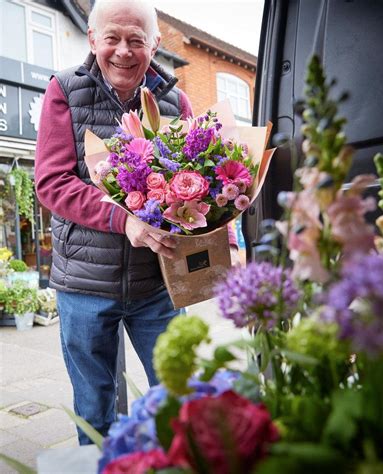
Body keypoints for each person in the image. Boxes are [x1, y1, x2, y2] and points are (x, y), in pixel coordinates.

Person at [35, 0, 237, 444]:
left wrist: (227, 234)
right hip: (85, 286)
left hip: (159, 286)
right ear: (93, 39)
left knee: (174, 403)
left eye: (136, 40)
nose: (123, 51)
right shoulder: (64, 91)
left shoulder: (176, 100)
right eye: (112, 38)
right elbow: (51, 183)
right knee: (95, 409)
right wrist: (123, 220)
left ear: (155, 44)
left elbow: (204, 179)